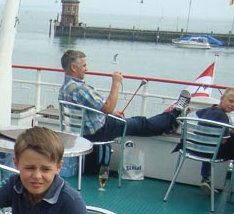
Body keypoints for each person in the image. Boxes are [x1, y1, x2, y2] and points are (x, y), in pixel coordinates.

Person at [59, 49, 191, 169]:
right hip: (98, 131)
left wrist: (111, 113)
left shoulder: (64, 87)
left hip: (80, 132)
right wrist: (116, 82)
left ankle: (168, 122)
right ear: (73, 67)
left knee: (130, 120)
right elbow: (108, 107)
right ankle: (175, 113)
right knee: (140, 123)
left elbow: (88, 109)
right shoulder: (80, 89)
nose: (87, 69)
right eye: (84, 66)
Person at [189, 88, 234, 194]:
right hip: (211, 153)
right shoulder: (223, 117)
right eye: (231, 101)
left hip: (194, 148)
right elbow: (223, 141)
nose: (233, 105)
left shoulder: (206, 110)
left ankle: (206, 178)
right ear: (222, 98)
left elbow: (197, 114)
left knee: (209, 146)